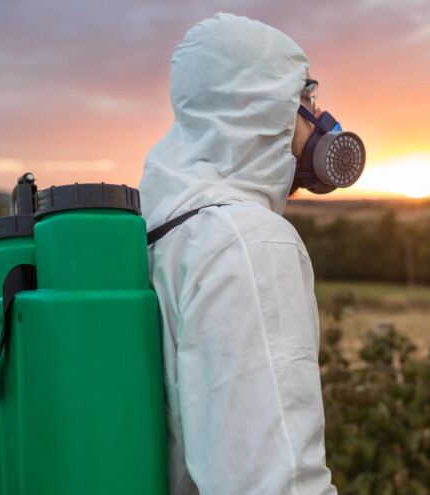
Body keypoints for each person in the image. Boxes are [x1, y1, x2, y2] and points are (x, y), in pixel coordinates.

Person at [139, 13, 338, 494]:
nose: (319, 118)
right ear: (260, 105)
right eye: (306, 97)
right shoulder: (247, 243)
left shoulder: (164, 227)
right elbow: (278, 481)